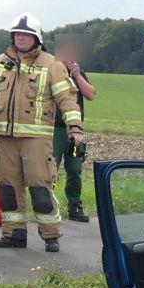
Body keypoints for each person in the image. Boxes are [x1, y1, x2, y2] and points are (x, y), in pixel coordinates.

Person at [0, 13, 83, 252]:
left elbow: (68, 100)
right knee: (8, 189)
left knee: (40, 189)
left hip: (37, 139)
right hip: (6, 138)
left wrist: (75, 128)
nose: (21, 38)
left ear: (36, 38)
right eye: (17, 34)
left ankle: (51, 236)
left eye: (26, 34)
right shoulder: (0, 63)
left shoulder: (52, 65)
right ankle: (14, 235)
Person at [52, 35, 96, 223]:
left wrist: (77, 75)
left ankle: (75, 207)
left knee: (74, 168)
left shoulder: (78, 72)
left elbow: (91, 95)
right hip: (54, 129)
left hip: (75, 132)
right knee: (50, 168)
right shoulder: (50, 71)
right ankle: (47, 207)